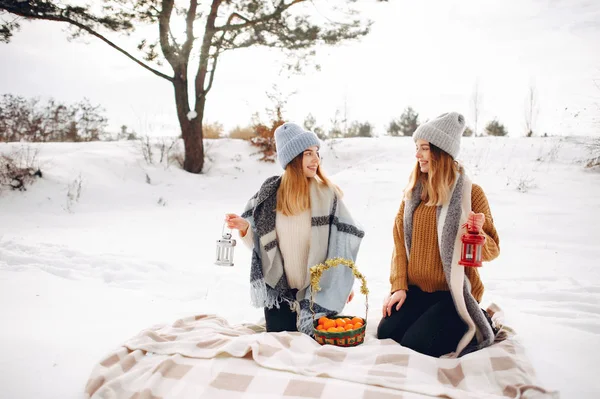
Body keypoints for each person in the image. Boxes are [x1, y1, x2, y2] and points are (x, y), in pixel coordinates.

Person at [377, 112, 501, 357]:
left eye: (424, 148)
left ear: (441, 152)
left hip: (453, 295)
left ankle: (482, 318)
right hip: (417, 292)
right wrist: (399, 286)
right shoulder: (413, 194)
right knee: (387, 332)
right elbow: (399, 245)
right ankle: (428, 318)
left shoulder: (470, 194)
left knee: (417, 344)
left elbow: (493, 250)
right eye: (417, 147)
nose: (417, 155)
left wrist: (476, 233)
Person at [226, 122, 364, 335]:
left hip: (317, 292)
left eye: (317, 152)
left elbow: (341, 245)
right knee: (279, 341)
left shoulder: (327, 195)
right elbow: (263, 249)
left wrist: (340, 284)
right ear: (292, 157)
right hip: (281, 291)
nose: (315, 159)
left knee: (314, 343)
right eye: (308, 153)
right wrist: (246, 229)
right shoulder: (271, 195)